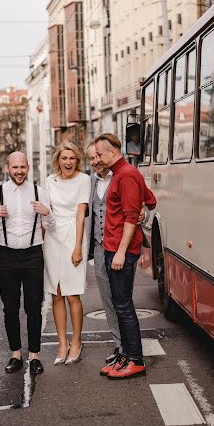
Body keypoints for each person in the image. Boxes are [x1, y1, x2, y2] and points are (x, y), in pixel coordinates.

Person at [0, 151, 55, 375]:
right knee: (10, 307)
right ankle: (15, 354)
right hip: (7, 256)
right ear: (7, 168)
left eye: (23, 167)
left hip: (33, 255)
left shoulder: (39, 192)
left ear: (28, 168)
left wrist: (47, 213)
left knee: (34, 307)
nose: (19, 171)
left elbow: (51, 226)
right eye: (15, 168)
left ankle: (34, 356)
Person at [94, 133, 156, 380]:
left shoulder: (127, 175)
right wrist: (142, 208)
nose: (97, 158)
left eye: (99, 154)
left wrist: (120, 252)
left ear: (111, 151)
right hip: (111, 248)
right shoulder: (120, 174)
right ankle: (126, 355)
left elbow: (132, 217)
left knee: (124, 306)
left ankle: (136, 360)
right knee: (120, 306)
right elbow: (150, 199)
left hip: (121, 251)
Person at [43, 142, 91, 365]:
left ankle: (77, 341)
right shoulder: (49, 181)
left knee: (72, 294)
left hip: (73, 235)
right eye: (64, 158)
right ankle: (62, 343)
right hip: (52, 238)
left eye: (72, 158)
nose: (68, 162)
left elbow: (80, 215)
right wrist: (39, 241)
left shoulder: (84, 180)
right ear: (58, 160)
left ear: (77, 160)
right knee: (56, 293)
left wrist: (78, 247)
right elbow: (46, 213)